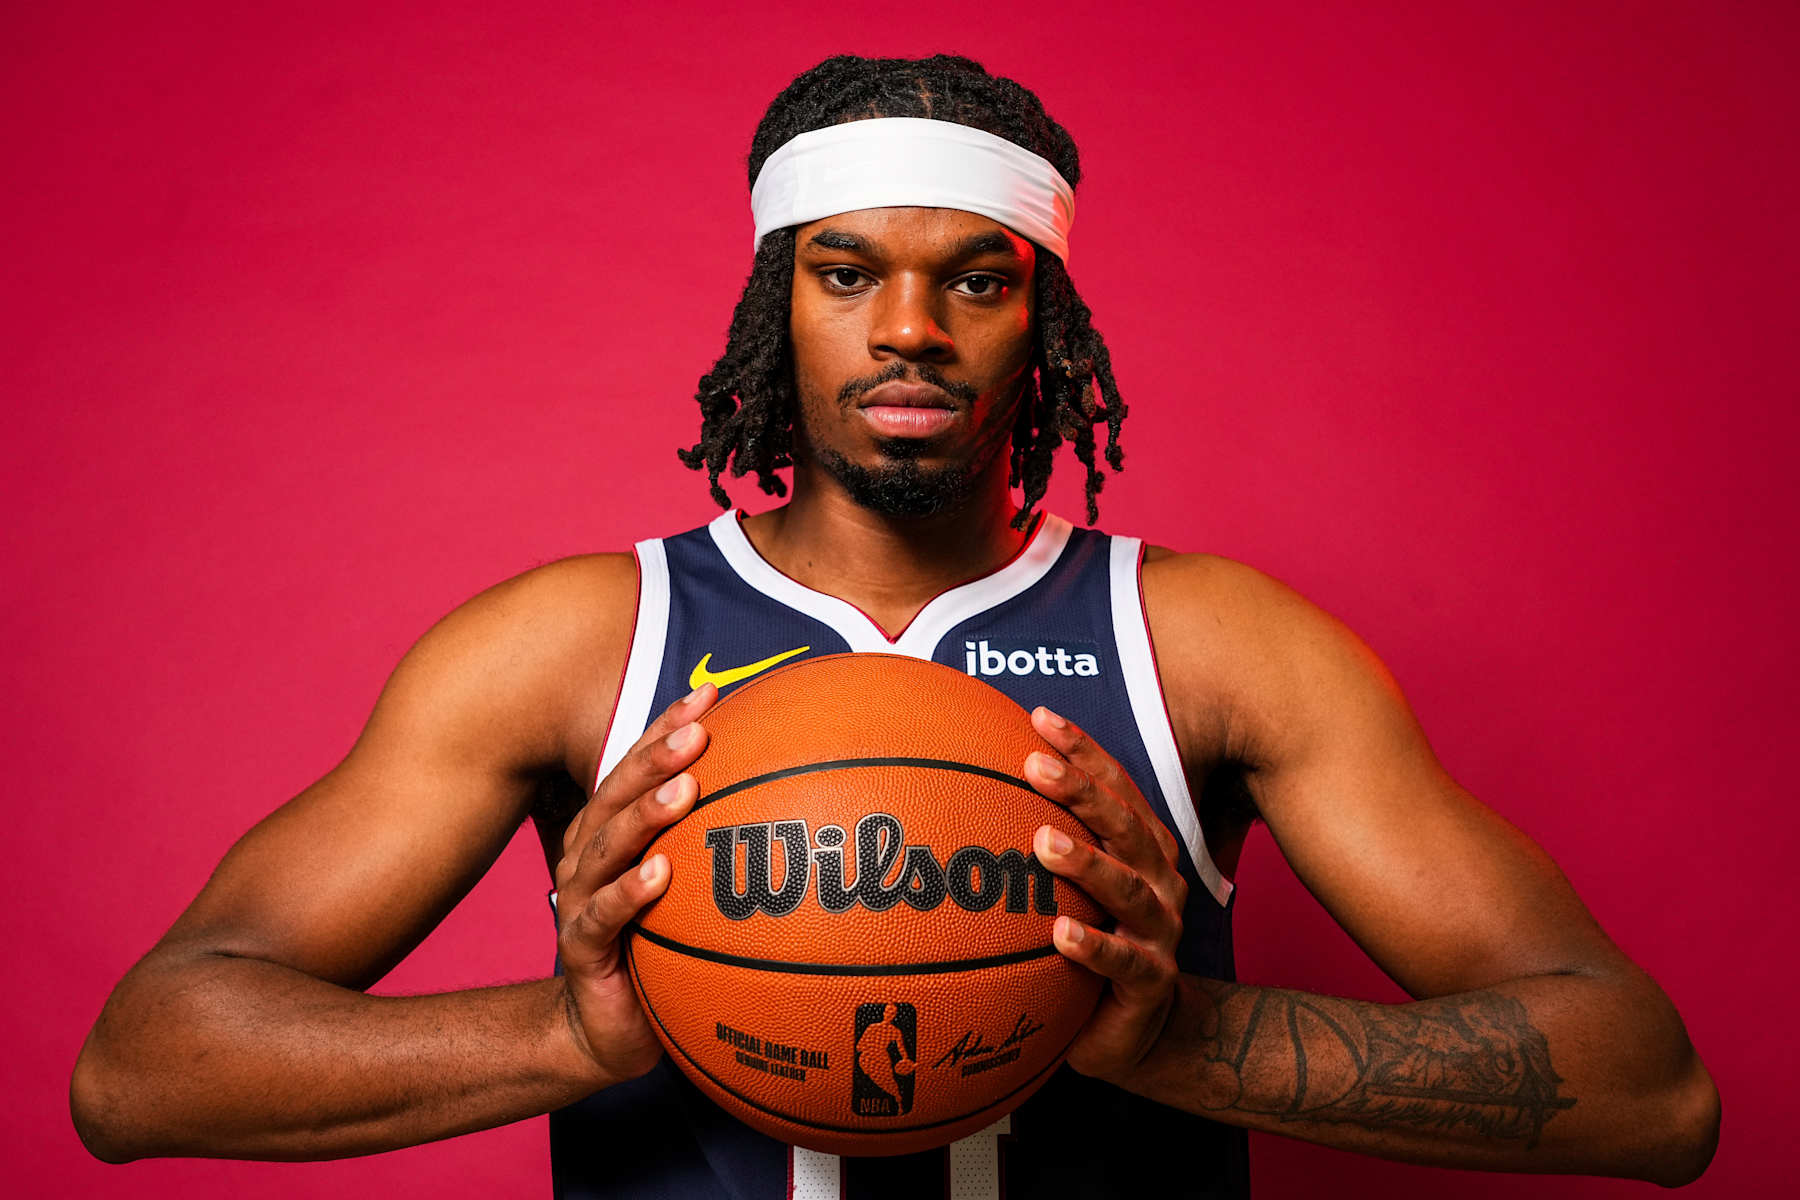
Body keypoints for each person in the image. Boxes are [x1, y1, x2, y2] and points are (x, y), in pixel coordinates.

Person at [69, 53, 1719, 1197]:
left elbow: (1651, 1090)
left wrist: (1183, 1039)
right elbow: (146, 1069)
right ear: (770, 309)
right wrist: (567, 1032)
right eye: (846, 274)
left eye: (977, 281)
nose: (909, 329)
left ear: (1045, 320)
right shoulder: (574, 643)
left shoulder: (1216, 646)